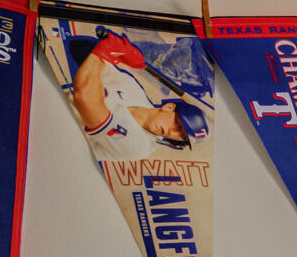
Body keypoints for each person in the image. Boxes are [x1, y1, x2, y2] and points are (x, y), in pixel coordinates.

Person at [68, 28, 209, 162]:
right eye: (178, 125)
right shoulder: (132, 88)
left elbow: (84, 96)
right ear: (169, 107)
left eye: (181, 136)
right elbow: (78, 49)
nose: (173, 133)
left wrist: (103, 53)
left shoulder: (139, 146)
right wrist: (117, 53)